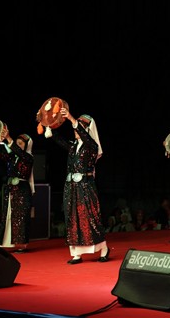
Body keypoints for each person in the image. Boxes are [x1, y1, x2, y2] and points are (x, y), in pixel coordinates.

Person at [47, 107, 110, 264]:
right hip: (71, 187)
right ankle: (76, 253)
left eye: (81, 127)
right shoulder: (74, 145)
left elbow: (86, 138)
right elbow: (61, 141)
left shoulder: (92, 145)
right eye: (76, 127)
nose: (76, 130)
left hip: (85, 186)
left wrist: (71, 118)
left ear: (87, 130)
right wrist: (49, 128)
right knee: (72, 217)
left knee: (90, 217)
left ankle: (103, 248)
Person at [0, 131, 35, 253]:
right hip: (10, 189)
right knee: (8, 216)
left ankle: (21, 245)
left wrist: (9, 139)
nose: (18, 145)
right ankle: (3, 243)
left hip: (22, 190)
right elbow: (0, 154)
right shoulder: (12, 157)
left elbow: (19, 152)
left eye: (21, 143)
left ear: (27, 146)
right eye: (17, 143)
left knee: (21, 218)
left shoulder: (28, 158)